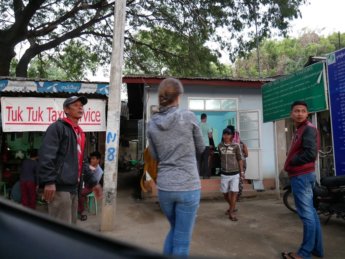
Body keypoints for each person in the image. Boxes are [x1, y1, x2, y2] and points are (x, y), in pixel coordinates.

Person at [147, 78, 205, 256]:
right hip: (188, 185)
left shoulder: (152, 123)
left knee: (174, 231)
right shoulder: (188, 116)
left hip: (164, 188)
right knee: (182, 240)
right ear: (178, 96)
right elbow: (201, 147)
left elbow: (155, 156)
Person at [38, 96, 102, 224]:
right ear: (66, 110)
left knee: (71, 227)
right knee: (61, 231)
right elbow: (46, 155)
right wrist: (49, 181)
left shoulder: (80, 133)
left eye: (82, 105)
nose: (80, 107)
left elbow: (82, 163)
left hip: (74, 188)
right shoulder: (57, 128)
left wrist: (93, 182)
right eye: (76, 105)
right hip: (59, 188)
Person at [282, 101, 323, 259]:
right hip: (302, 175)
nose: (299, 113)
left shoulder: (308, 129)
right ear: (291, 114)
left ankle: (304, 254)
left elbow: (311, 154)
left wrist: (292, 162)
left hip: (301, 176)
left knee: (306, 215)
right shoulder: (300, 129)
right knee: (311, 213)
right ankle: (317, 250)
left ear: (307, 114)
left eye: (303, 111)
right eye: (296, 111)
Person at [218, 127, 244, 221]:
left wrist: (241, 172)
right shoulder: (220, 146)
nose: (226, 136)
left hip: (235, 174)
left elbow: (240, 159)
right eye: (224, 134)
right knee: (225, 194)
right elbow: (221, 157)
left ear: (231, 136)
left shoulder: (236, 146)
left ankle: (231, 212)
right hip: (224, 174)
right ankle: (232, 206)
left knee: (234, 192)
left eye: (228, 134)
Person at [78, 151, 103, 221]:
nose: (92, 160)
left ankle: (81, 211)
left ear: (98, 160)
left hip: (91, 187)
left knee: (80, 193)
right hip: (83, 183)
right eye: (91, 158)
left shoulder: (99, 171)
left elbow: (95, 183)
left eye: (94, 158)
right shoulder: (88, 166)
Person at [232, 129, 249, 201]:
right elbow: (247, 154)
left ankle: (234, 196)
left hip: (234, 164)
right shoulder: (242, 144)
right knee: (240, 180)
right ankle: (238, 196)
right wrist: (242, 156)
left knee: (234, 179)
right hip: (242, 163)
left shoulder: (231, 144)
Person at [199, 113, 213, 179]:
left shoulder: (198, 125)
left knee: (198, 160)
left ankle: (198, 175)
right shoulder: (208, 125)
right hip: (206, 145)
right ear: (205, 118)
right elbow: (210, 136)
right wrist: (210, 133)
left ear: (201, 118)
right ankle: (205, 176)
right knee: (205, 161)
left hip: (199, 145)